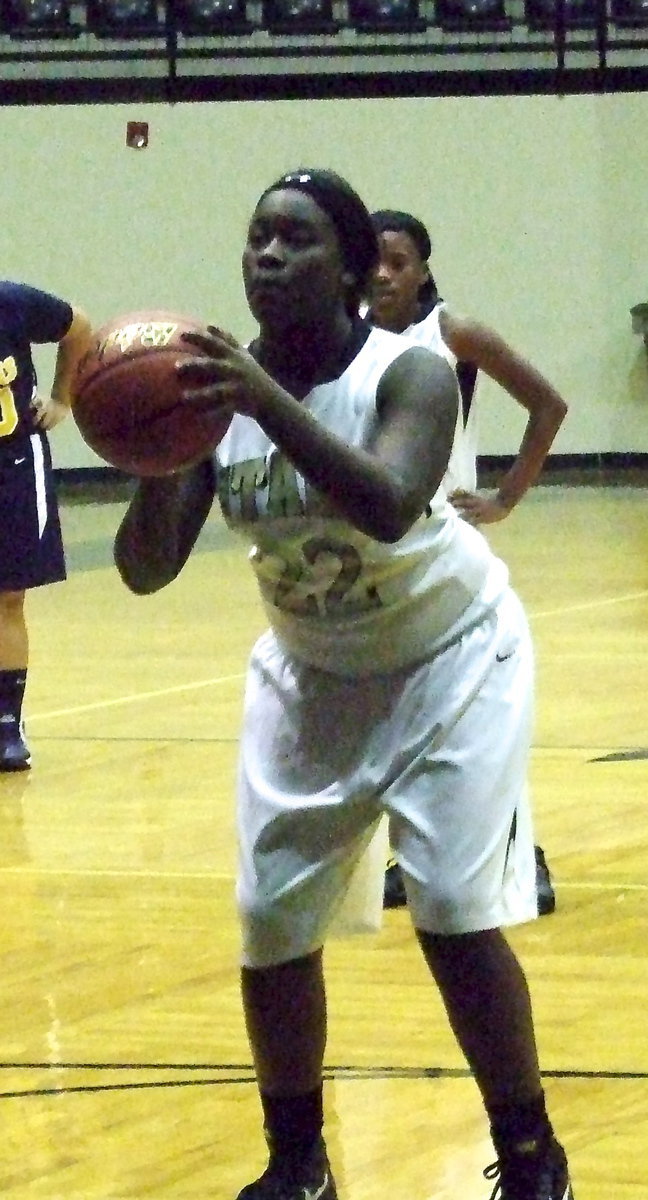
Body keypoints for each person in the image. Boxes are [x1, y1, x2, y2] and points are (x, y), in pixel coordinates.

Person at [114, 168, 574, 1200]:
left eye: (296, 240)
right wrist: (150, 447)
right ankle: (297, 1165)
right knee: (272, 919)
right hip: (312, 670)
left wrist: (260, 398)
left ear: (357, 271)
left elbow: (388, 504)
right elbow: (146, 570)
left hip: (449, 656)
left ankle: (534, 1154)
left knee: (454, 905)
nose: (267, 256)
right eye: (257, 238)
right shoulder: (212, 395)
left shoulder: (402, 372)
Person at [365, 210, 567, 917]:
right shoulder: (346, 342)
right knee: (400, 715)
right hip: (380, 551)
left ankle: (525, 858)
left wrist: (506, 497)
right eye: (374, 260)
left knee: (479, 716)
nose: (384, 273)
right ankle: (418, 853)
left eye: (399, 261)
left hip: (447, 549)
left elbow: (548, 404)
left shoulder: (453, 334)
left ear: (423, 269)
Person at [0, 282, 93, 771]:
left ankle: (6, 726)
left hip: (11, 463)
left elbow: (78, 326)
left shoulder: (12, 303)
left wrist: (63, 398)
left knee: (8, 597)